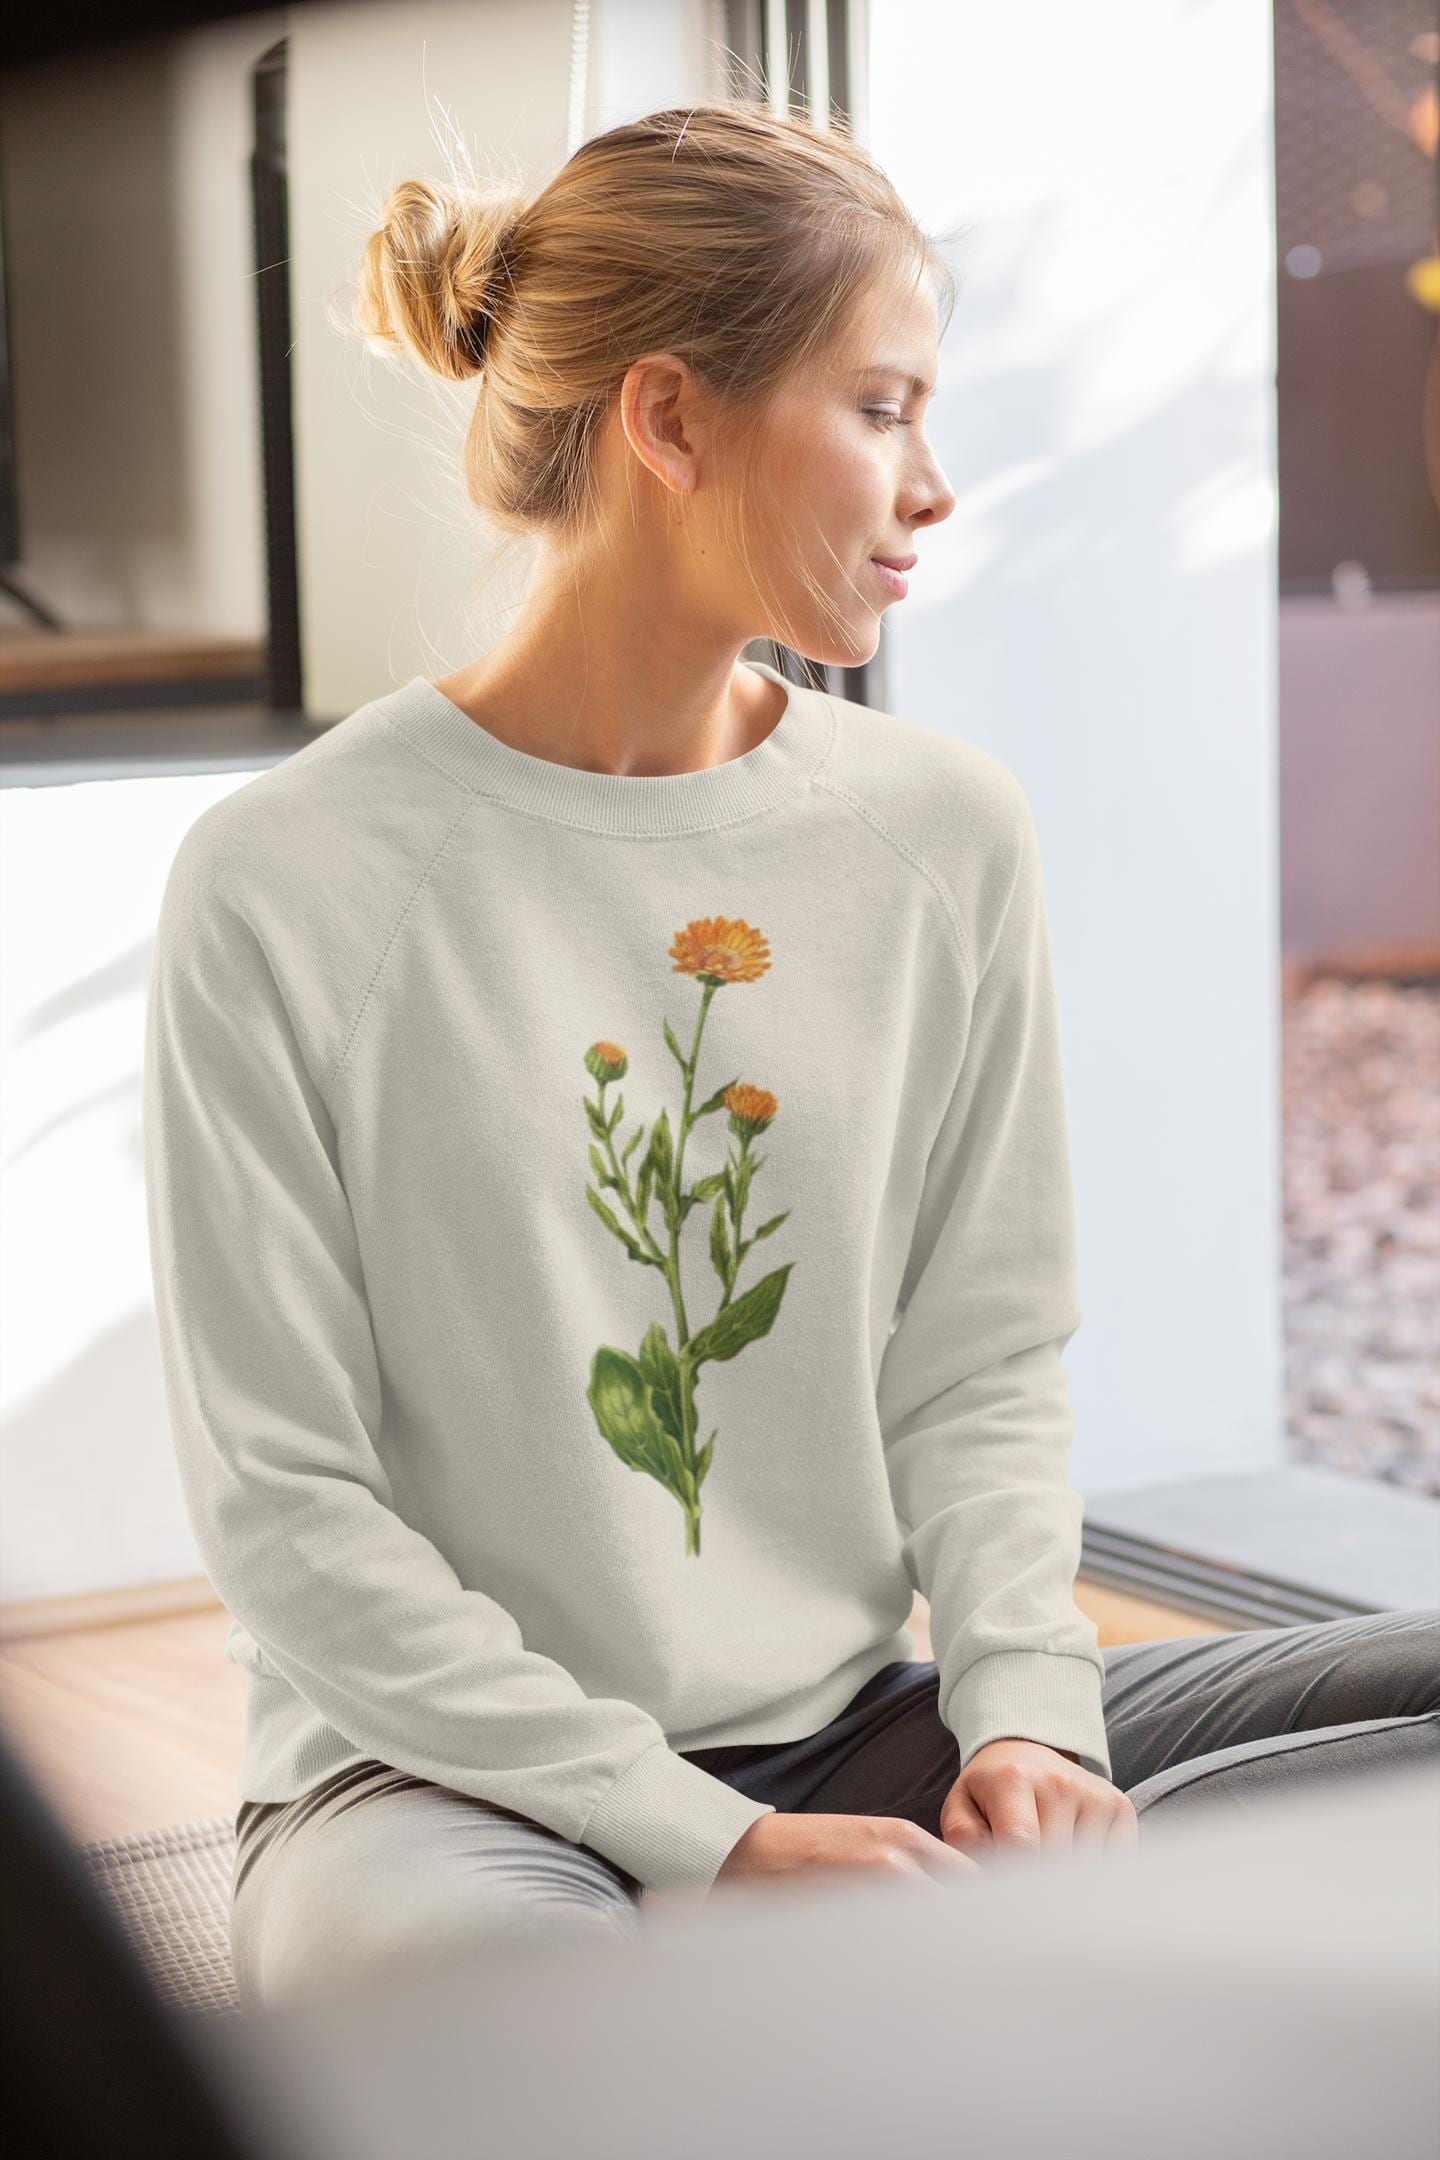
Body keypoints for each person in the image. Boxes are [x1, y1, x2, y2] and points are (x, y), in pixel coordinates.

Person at [141, 101, 1440, 2011]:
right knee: (517, 2031)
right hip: (437, 1794)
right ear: (670, 422)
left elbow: (978, 1358)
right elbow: (288, 1514)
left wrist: (1027, 1727)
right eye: (884, 408)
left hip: (860, 1741)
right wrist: (710, 1849)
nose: (934, 488)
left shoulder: (941, 834)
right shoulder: (288, 879)